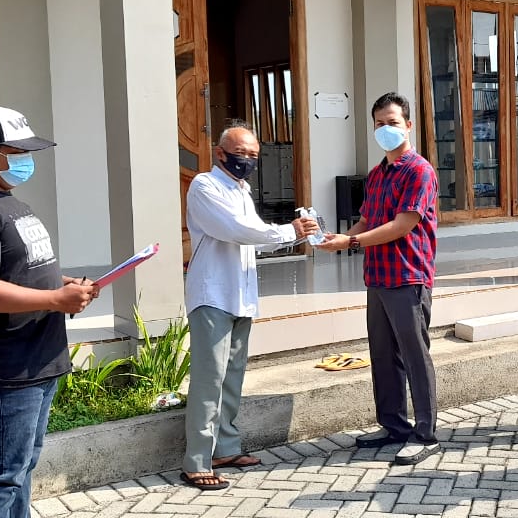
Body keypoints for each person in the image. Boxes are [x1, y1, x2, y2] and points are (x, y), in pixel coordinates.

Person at [0, 107, 98, 518]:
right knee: (2, 478)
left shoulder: (10, 203)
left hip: (38, 362)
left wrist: (65, 285)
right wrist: (55, 300)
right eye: (17, 152)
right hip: (6, 370)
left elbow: (20, 270)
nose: (27, 160)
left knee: (22, 468)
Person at [181, 125, 318, 490]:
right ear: (220, 153)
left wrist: (297, 233)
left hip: (240, 295)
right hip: (212, 294)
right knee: (209, 379)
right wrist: (289, 231)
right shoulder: (204, 186)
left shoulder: (241, 190)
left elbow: (256, 238)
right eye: (241, 153)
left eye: (254, 156)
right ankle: (197, 461)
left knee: (232, 376)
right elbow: (236, 229)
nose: (248, 161)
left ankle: (225, 448)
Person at [316, 92, 441, 466]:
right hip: (378, 277)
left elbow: (403, 225)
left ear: (408, 125)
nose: (386, 129)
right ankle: (393, 426)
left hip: (408, 276)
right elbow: (368, 220)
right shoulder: (376, 174)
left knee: (415, 356)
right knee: (384, 356)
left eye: (392, 122)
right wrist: (338, 239)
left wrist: (351, 242)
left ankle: (425, 433)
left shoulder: (419, 171)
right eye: (379, 124)